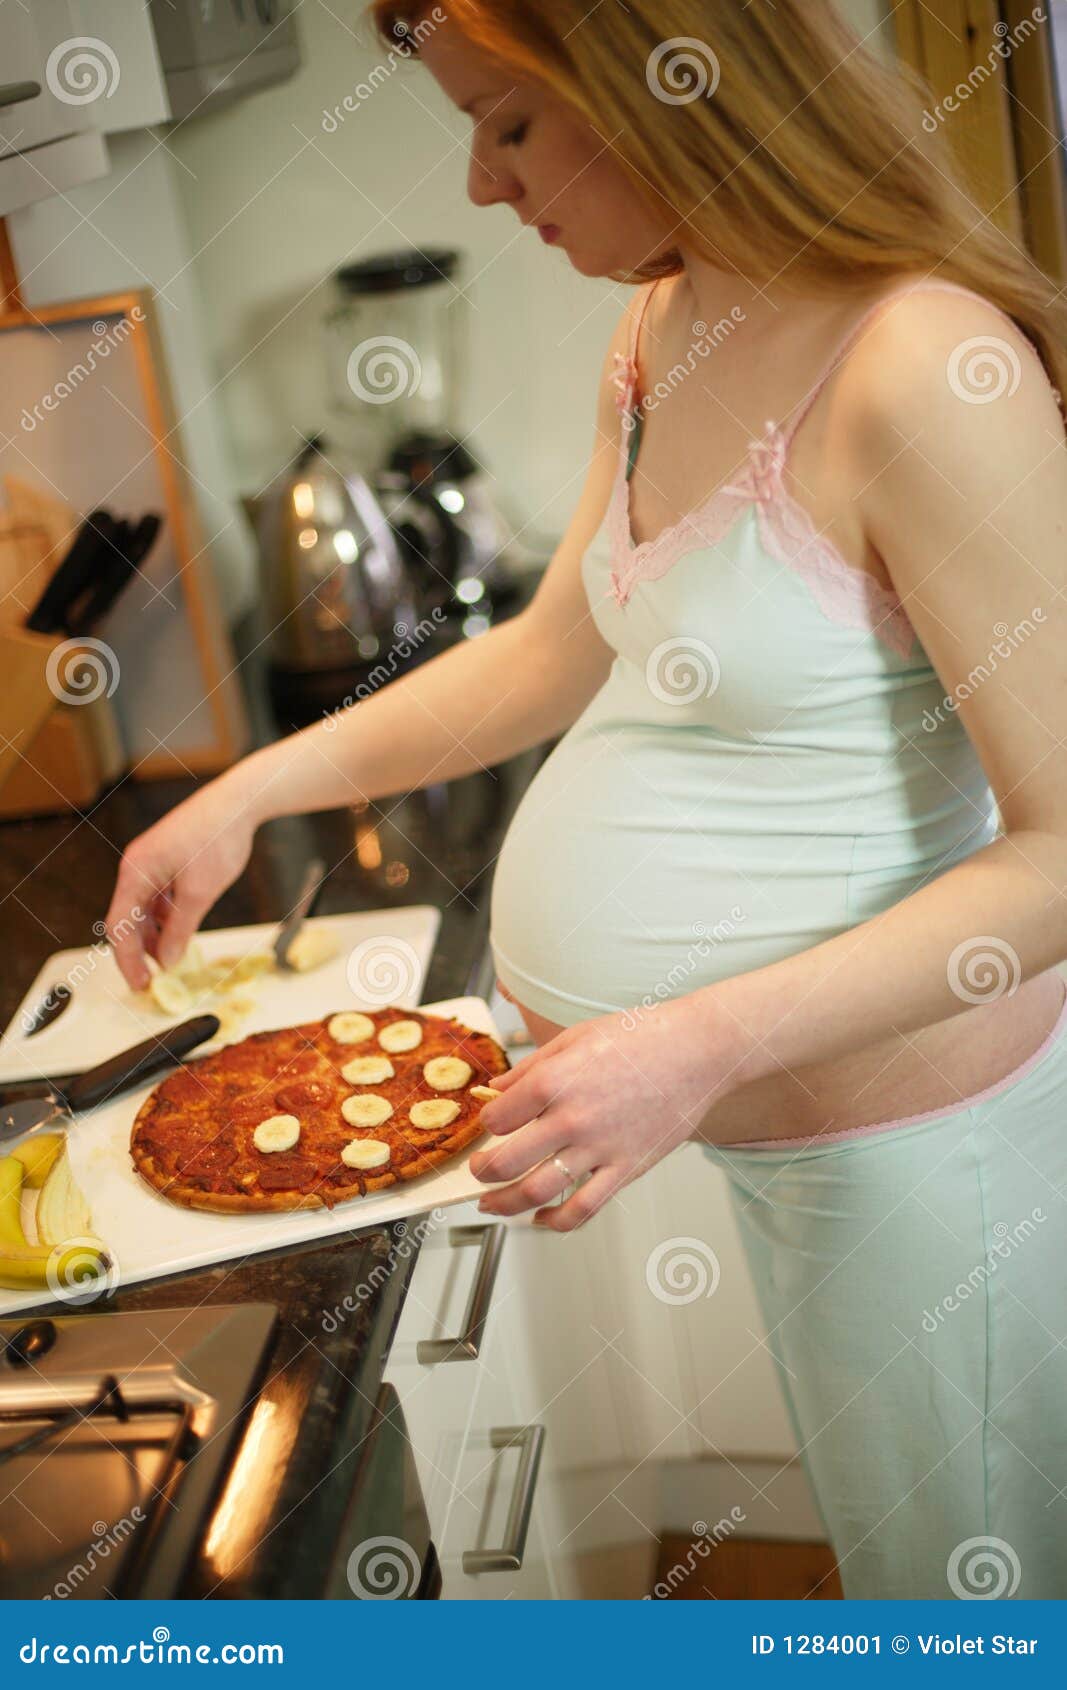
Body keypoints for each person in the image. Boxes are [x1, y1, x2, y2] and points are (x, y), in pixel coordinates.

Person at [106, 2, 1067, 1598]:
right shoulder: (663, 325)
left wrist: (694, 1044)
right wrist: (249, 791)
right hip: (793, 1150)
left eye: (512, 123)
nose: (483, 184)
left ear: (665, 78)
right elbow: (554, 647)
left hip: (925, 1169)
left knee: (965, 1592)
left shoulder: (924, 369)